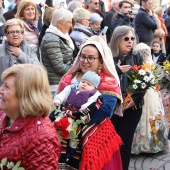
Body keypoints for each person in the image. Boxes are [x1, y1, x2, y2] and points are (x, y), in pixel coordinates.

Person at [56, 35, 123, 169]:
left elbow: (106, 109)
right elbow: (58, 102)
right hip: (64, 133)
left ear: (101, 60)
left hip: (94, 134)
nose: (85, 61)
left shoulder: (107, 81)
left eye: (91, 58)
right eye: (83, 56)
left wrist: (76, 122)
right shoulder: (70, 78)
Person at [0, 64, 61, 169]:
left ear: (25, 95)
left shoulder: (43, 137)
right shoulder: (4, 114)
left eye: (6, 87)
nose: (0, 90)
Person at [110, 25, 145, 170]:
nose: (130, 42)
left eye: (132, 38)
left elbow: (144, 81)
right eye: (126, 39)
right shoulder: (109, 57)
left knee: (125, 142)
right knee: (112, 142)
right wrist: (117, 71)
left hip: (132, 108)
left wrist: (134, 100)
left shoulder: (137, 56)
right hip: (113, 107)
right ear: (117, 40)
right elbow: (104, 81)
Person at [53, 70, 101, 161]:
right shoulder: (72, 88)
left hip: (76, 117)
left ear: (94, 88)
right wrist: (57, 101)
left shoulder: (94, 94)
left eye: (88, 84)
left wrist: (84, 108)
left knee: (73, 136)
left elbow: (91, 103)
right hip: (65, 113)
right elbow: (62, 94)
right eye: (83, 82)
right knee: (58, 129)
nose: (84, 85)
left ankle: (70, 152)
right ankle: (56, 147)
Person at [131, 42, 169, 154]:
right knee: (151, 113)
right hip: (149, 92)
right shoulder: (149, 65)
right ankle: (153, 143)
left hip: (145, 91)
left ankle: (142, 143)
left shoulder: (141, 64)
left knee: (146, 114)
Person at [40, 7, 74, 96]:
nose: (71, 25)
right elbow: (59, 67)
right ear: (59, 23)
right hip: (55, 85)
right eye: (69, 22)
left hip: (61, 81)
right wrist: (75, 68)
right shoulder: (52, 39)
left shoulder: (60, 35)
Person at [0, 18, 39, 86]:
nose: (15, 34)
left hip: (25, 90)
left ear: (22, 33)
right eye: (11, 32)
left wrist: (21, 55)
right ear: (6, 35)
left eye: (18, 31)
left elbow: (38, 69)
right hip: (4, 91)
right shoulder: (1, 49)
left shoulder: (31, 48)